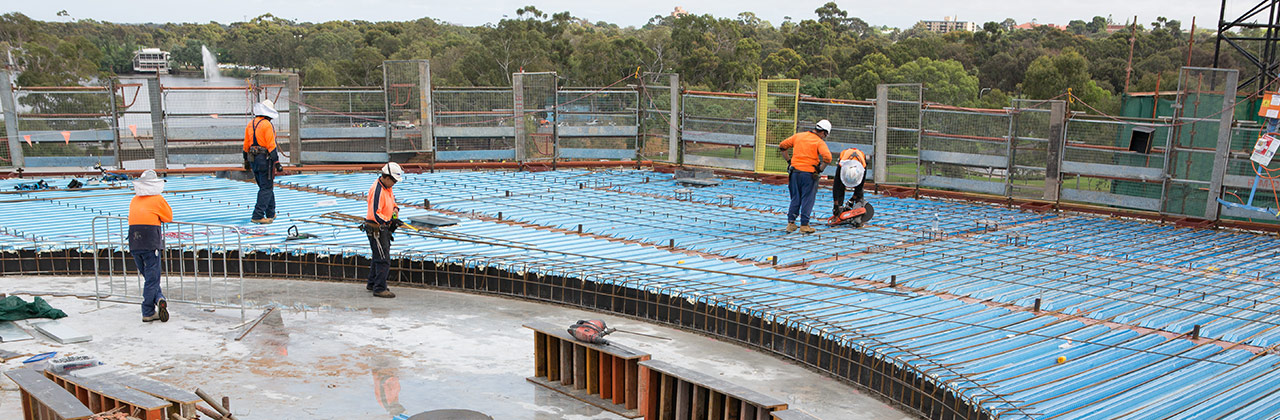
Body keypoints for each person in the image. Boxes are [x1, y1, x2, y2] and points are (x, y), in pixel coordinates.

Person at [128, 170, 173, 323]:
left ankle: (159, 298)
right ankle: (147, 310)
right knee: (152, 279)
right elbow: (168, 217)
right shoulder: (157, 199)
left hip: (134, 241)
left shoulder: (134, 199)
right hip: (150, 241)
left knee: (149, 277)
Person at [778, 119, 833, 234]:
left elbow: (782, 146)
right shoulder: (818, 142)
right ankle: (804, 225)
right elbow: (828, 158)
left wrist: (789, 161)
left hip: (794, 172)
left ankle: (791, 223)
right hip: (809, 174)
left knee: (795, 197)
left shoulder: (799, 136)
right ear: (823, 132)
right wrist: (820, 169)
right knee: (807, 198)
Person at [365, 162, 405, 298]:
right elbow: (375, 214)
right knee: (383, 259)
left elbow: (391, 202)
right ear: (386, 177)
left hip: (383, 228)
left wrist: (395, 210)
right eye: (393, 181)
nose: (394, 184)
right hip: (376, 229)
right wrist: (388, 222)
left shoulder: (387, 188)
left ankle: (372, 283)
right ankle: (380, 288)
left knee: (378, 256)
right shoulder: (377, 190)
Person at [243, 99, 282, 224]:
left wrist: (246, 161)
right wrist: (277, 162)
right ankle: (258, 215)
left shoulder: (251, 124)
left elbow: (245, 145)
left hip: (253, 159)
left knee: (265, 186)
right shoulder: (266, 125)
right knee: (266, 188)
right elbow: (271, 145)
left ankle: (271, 212)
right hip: (265, 159)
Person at [833, 147, 868, 216]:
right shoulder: (841, 166)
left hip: (859, 160)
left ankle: (859, 209)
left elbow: (860, 186)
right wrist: (836, 204)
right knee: (840, 187)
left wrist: (852, 199)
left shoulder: (863, 168)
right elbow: (836, 186)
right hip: (845, 159)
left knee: (859, 194)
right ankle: (839, 210)